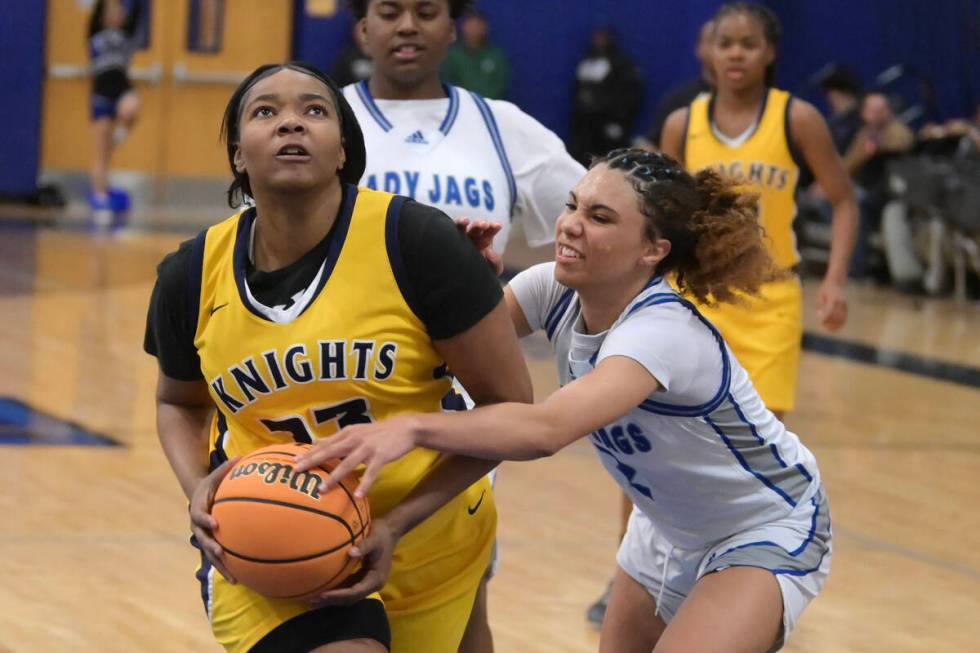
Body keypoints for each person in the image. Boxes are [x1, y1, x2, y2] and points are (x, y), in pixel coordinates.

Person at [295, 148, 833, 653]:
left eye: (600, 217)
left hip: (765, 523)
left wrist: (412, 428)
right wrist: (462, 289)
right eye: (573, 205)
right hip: (664, 527)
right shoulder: (552, 288)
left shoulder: (661, 332)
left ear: (653, 250)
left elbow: (545, 430)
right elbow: (433, 347)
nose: (570, 223)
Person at [143, 61, 533, 653]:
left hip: (425, 539)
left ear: (345, 151)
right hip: (271, 545)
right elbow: (177, 401)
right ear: (239, 155)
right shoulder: (190, 274)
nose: (290, 124)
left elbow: (512, 409)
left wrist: (395, 524)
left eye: (314, 110)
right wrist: (196, 485)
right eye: (265, 112)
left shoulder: (418, 243)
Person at [342, 3, 585, 649]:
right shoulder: (323, 117)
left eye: (426, 11)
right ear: (362, 28)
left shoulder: (500, 126)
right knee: (330, 586)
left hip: (465, 391)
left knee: (461, 594)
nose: (408, 26)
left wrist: (497, 285)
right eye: (388, 11)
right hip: (341, 388)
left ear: (452, 29)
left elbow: (596, 221)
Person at [661, 2, 858, 417]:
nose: (736, 53)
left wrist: (835, 281)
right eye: (725, 43)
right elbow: (666, 218)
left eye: (748, 44)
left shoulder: (797, 118)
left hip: (770, 301)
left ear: (769, 52)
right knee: (662, 443)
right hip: (697, 296)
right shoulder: (682, 123)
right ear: (707, 51)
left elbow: (844, 202)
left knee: (758, 449)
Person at [87, 0, 143, 223]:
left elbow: (138, 13)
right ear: (102, 15)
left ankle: (117, 136)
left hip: (122, 90)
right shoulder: (94, 33)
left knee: (131, 107)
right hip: (101, 95)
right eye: (111, 11)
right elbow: (96, 11)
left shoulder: (125, 34)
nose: (116, 15)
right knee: (101, 152)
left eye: (119, 11)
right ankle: (100, 194)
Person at [568, 26, 644, 166]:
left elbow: (628, 95)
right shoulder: (586, 61)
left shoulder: (622, 64)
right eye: (597, 36)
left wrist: (619, 122)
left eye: (603, 36)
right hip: (585, 129)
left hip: (608, 129)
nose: (599, 40)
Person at [643, 19, 715, 151]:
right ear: (698, 48)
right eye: (713, 41)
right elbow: (650, 145)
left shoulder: (760, 100)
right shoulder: (678, 100)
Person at [441, 9, 511, 100]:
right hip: (461, 107)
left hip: (490, 107)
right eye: (471, 24)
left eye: (478, 25)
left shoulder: (496, 56)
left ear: (485, 28)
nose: (474, 29)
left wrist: (482, 104)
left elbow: (501, 84)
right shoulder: (452, 56)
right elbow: (447, 84)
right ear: (463, 27)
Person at [329, 23, 374, 88]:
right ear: (354, 33)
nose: (366, 37)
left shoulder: (385, 57)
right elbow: (333, 85)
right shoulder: (346, 59)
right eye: (363, 32)